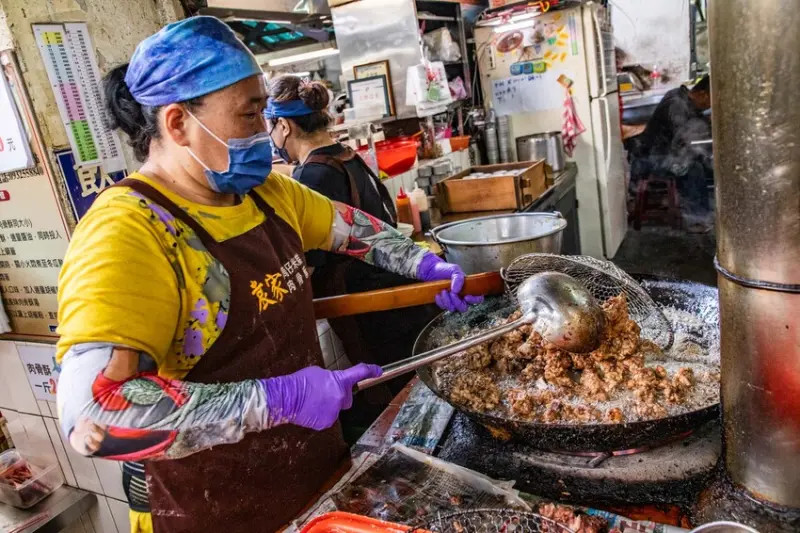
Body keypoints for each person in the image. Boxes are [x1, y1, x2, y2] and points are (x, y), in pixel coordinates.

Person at [55, 17, 483, 533]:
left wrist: (425, 266)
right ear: (176, 123)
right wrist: (281, 400)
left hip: (317, 480)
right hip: (216, 510)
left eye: (264, 114)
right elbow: (94, 418)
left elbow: (351, 229)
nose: (265, 132)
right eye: (249, 115)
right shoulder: (127, 231)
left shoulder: (267, 195)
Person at [265, 75, 479, 434]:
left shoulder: (312, 175)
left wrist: (426, 264)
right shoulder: (347, 156)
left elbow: (338, 242)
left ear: (283, 126)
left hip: (374, 312)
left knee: (409, 406)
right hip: (397, 299)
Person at [628, 75, 713, 232]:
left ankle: (696, 211)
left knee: (697, 161)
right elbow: (685, 137)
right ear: (702, 94)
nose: (709, 106)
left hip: (659, 152)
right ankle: (695, 220)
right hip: (651, 159)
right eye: (709, 101)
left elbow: (691, 127)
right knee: (692, 168)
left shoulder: (680, 96)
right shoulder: (677, 105)